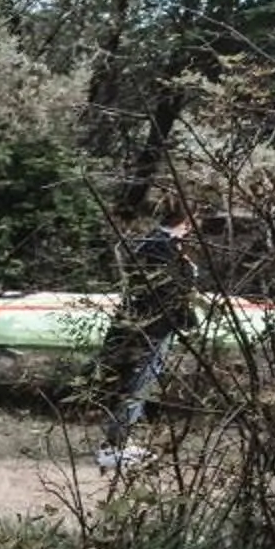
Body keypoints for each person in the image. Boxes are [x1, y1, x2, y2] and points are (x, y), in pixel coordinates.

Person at [94, 198, 196, 470]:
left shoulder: (157, 245)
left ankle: (120, 440)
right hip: (150, 327)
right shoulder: (160, 248)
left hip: (150, 325)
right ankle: (115, 444)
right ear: (185, 221)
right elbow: (169, 291)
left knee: (140, 380)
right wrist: (186, 318)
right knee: (137, 379)